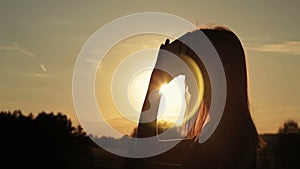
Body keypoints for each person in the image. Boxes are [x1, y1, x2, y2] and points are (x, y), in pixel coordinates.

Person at [127, 27, 262, 169]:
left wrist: (157, 77)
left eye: (192, 65)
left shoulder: (227, 135)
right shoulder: (229, 131)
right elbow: (149, 150)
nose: (185, 76)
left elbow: (143, 152)